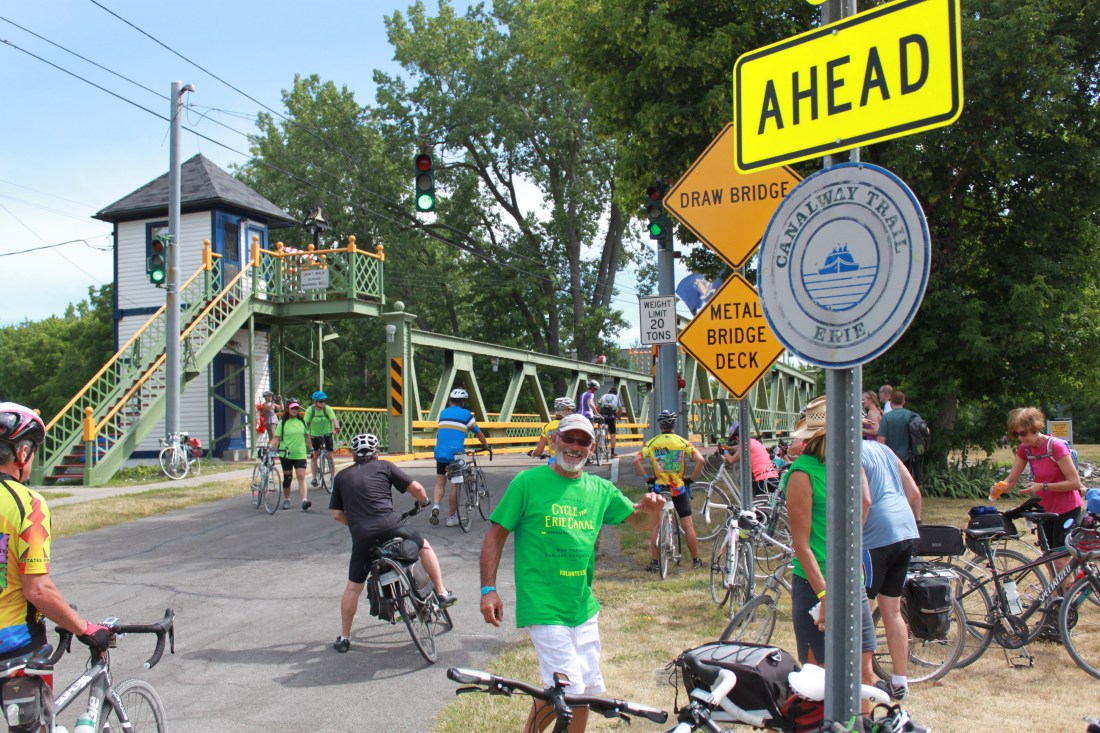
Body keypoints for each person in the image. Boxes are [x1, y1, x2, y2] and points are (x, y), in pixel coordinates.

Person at [479, 413, 664, 733]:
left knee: (584, 692)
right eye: (569, 439)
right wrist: (488, 590)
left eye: (583, 442)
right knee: (571, 690)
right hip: (543, 603)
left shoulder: (600, 489)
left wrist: (653, 512)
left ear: (592, 448)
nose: (575, 447)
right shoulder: (527, 483)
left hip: (582, 606)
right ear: (554, 440)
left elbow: (639, 523)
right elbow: (495, 535)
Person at [0, 402, 112, 681]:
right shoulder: (27, 504)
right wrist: (84, 628)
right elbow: (37, 590)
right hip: (14, 646)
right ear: (22, 452)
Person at [784, 396, 877, 709]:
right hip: (816, 586)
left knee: (864, 676)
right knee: (819, 683)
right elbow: (801, 544)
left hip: (851, 583)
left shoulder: (849, 464)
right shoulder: (802, 473)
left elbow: (865, 503)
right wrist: (825, 595)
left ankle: (862, 728)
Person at [330, 433, 456, 653]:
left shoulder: (341, 477)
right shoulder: (385, 466)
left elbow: (337, 515)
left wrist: (358, 525)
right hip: (391, 526)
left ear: (353, 454)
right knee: (424, 547)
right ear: (376, 453)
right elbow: (417, 488)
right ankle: (442, 592)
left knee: (353, 587)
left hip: (362, 536)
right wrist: (424, 501)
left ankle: (345, 637)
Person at [860, 439, 922, 701]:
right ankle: (899, 682)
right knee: (893, 612)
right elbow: (914, 493)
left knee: (860, 612)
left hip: (875, 536)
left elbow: (864, 500)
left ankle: (862, 680)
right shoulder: (884, 449)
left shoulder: (850, 451)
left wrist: (854, 536)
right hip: (905, 530)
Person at [996, 407, 1083, 583]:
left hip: (1067, 508)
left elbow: (1074, 483)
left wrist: (1042, 486)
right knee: (1049, 561)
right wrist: (999, 488)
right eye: (1016, 434)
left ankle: (1068, 599)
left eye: (1023, 433)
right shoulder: (1025, 449)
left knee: (1060, 561)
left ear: (1035, 427)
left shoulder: (1056, 446)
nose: (1020, 438)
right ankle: (1057, 597)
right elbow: (1011, 480)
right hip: (1045, 511)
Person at [633, 410, 705, 571]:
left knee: (656, 525)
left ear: (660, 425)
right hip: (678, 489)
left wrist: (647, 478)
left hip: (660, 488)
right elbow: (700, 460)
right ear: (674, 425)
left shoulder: (652, 442)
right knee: (688, 525)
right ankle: (696, 561)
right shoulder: (682, 442)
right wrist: (691, 479)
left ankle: (655, 563)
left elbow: (636, 460)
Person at [431, 388, 491, 527]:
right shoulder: (466, 414)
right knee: (455, 485)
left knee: (440, 481)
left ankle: (436, 506)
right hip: (456, 454)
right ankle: (451, 517)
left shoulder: (443, 413)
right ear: (463, 402)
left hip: (440, 453)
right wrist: (486, 445)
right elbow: (479, 433)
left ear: (451, 401)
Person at [269, 399, 310, 510]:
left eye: (296, 408)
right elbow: (276, 438)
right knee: (288, 478)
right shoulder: (282, 423)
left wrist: (312, 449)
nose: (295, 410)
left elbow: (307, 437)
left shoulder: (302, 422)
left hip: (300, 453)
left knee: (301, 476)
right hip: (286, 454)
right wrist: (270, 447)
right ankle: (287, 499)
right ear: (287, 409)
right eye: (292, 408)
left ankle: (304, 500)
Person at [723, 422, 781, 495]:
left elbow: (732, 460)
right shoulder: (753, 442)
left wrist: (724, 451)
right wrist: (728, 448)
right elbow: (739, 447)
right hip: (773, 476)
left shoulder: (745, 445)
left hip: (762, 479)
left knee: (755, 502)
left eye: (735, 440)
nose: (735, 442)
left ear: (737, 437)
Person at [304, 391, 340, 488]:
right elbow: (305, 422)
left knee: (330, 456)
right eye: (320, 401)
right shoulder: (310, 410)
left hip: (327, 434)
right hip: (314, 435)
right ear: (315, 402)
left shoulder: (327, 409)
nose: (323, 403)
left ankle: (333, 476)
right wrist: (305, 432)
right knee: (314, 456)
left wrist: (336, 428)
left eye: (324, 401)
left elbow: (334, 420)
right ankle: (314, 478)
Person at [530, 397, 575, 463]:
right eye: (572, 410)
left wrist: (532, 453)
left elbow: (539, 451)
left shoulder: (547, 426)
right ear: (567, 410)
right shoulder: (573, 425)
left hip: (553, 462)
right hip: (569, 461)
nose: (573, 413)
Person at [877, 390, 914, 468]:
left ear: (891, 402)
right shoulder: (911, 415)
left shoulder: (886, 417)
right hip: (908, 457)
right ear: (903, 402)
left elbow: (881, 440)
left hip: (890, 458)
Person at [597, 387, 624, 456]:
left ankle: (596, 447)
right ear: (615, 393)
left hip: (602, 416)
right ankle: (612, 453)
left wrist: (599, 414)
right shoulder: (617, 397)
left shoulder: (603, 396)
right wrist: (618, 416)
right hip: (611, 417)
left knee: (599, 431)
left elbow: (597, 407)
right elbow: (620, 410)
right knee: (613, 436)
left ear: (608, 392)